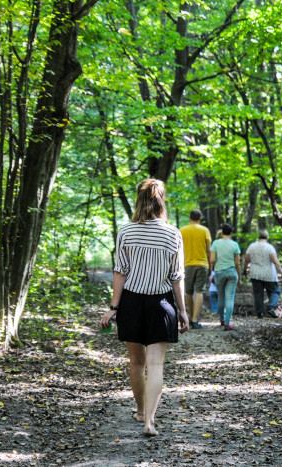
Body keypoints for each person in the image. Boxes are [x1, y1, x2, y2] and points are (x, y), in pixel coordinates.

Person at [100, 178, 189, 437]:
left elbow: (120, 272)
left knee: (136, 363)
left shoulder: (126, 231)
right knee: (156, 365)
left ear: (139, 200)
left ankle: (140, 411)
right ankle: (150, 421)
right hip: (161, 303)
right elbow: (176, 276)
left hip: (131, 302)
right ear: (161, 201)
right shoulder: (173, 233)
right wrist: (182, 311)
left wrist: (113, 307)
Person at [243, 229, 282, 318]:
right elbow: (275, 261)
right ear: (267, 236)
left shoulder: (252, 246)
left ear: (258, 236)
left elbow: (246, 259)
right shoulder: (269, 247)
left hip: (255, 273)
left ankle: (260, 314)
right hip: (268, 273)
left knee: (258, 294)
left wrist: (245, 270)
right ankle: (271, 307)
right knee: (275, 291)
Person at [180, 209, 212, 329]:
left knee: (188, 291)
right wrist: (210, 266)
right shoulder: (205, 230)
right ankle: (194, 319)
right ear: (200, 218)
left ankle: (189, 316)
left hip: (186, 265)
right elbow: (209, 250)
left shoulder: (182, 230)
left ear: (190, 217)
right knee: (199, 291)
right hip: (202, 264)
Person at [210, 223, 241, 330]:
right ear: (231, 233)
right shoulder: (235, 245)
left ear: (222, 231)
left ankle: (222, 319)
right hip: (232, 272)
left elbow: (212, 260)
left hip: (219, 272)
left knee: (221, 297)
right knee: (229, 298)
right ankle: (228, 323)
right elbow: (237, 263)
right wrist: (240, 277)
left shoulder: (215, 243)